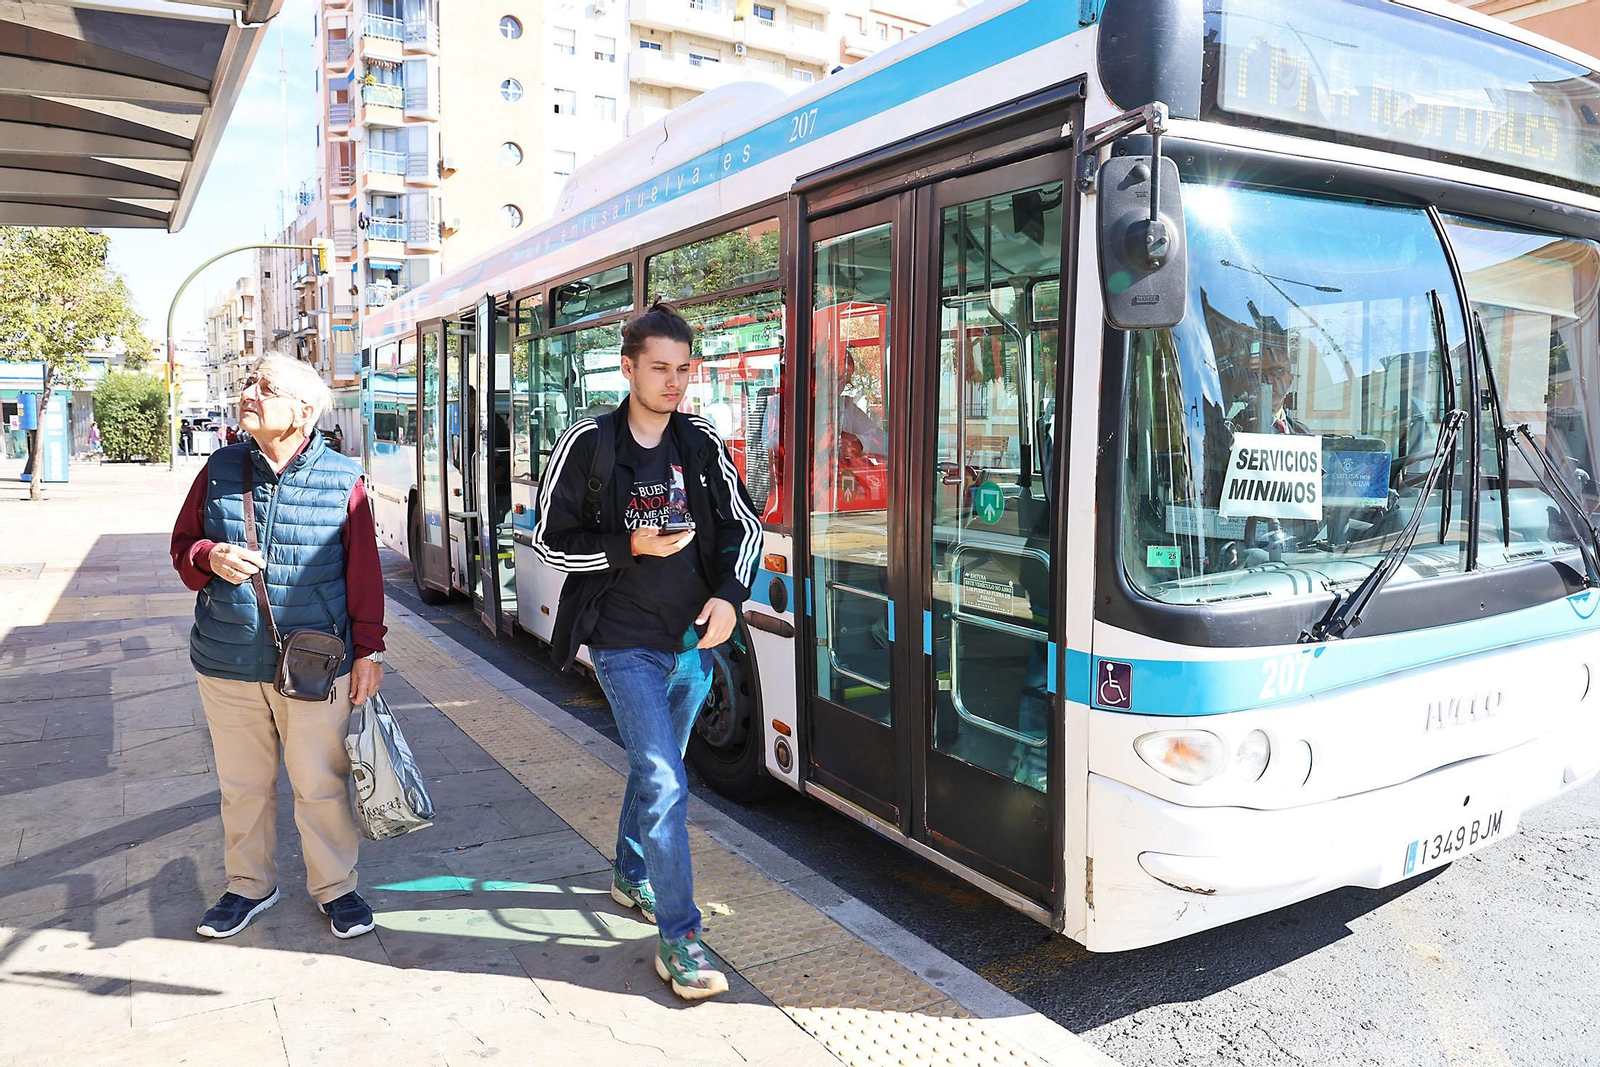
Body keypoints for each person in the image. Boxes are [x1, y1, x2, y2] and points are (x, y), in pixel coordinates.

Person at [532, 302, 762, 1001]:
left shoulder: (700, 440)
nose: (674, 382)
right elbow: (547, 539)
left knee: (655, 765)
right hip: (622, 642)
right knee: (664, 778)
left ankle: (631, 871)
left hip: (692, 643)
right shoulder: (589, 443)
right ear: (627, 368)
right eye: (660, 368)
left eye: (683, 369)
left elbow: (745, 527)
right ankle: (680, 939)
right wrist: (626, 545)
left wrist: (730, 597)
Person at [170, 353, 386, 941]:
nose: (250, 392)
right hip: (226, 659)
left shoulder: (343, 479)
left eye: (266, 388)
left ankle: (336, 887)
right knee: (242, 786)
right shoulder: (219, 469)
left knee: (319, 782)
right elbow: (184, 548)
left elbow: (364, 576)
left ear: (304, 411)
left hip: (315, 665)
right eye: (250, 383)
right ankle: (248, 885)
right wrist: (208, 556)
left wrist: (369, 652)